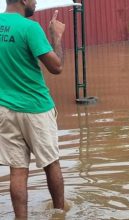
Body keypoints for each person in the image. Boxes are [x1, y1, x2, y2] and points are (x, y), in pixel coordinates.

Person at [0, 0, 66, 218]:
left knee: (17, 170)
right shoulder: (30, 28)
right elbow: (56, 67)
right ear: (23, 0)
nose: (36, 2)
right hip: (36, 108)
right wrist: (56, 36)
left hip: (5, 109)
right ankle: (59, 213)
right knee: (51, 163)